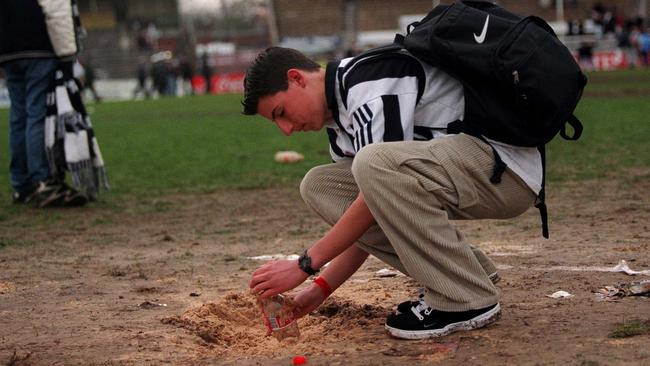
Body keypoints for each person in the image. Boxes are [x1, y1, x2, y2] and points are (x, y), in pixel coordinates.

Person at [244, 47, 540, 339]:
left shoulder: (366, 82)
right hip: (473, 169)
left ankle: (465, 298)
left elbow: (374, 191)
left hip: (506, 169)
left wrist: (304, 264)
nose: (285, 129)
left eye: (280, 113)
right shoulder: (340, 125)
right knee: (321, 186)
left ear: (296, 78)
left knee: (372, 163)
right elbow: (374, 211)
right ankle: (464, 272)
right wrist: (318, 291)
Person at [0, 0, 88, 207]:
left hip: (8, 50)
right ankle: (42, 180)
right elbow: (56, 9)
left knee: (19, 118)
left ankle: (21, 184)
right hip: (38, 47)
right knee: (37, 115)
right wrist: (67, 55)